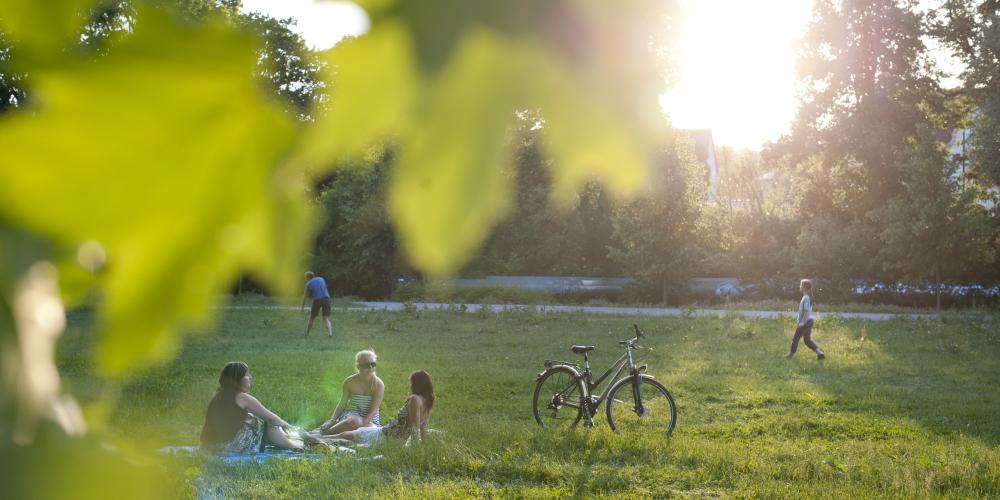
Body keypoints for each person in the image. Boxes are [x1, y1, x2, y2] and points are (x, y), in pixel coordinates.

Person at [200, 361, 303, 453]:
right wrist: (292, 428)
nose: (250, 377)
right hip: (227, 448)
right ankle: (294, 447)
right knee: (264, 423)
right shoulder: (242, 397)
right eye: (246, 374)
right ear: (237, 379)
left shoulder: (218, 396)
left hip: (207, 447)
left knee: (250, 419)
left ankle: (290, 442)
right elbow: (271, 418)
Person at [325, 370, 435, 445]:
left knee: (345, 436)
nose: (410, 386)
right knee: (350, 435)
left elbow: (415, 428)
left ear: (417, 384)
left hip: (384, 436)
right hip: (389, 437)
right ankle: (322, 438)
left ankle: (321, 439)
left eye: (411, 383)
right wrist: (422, 449)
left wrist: (416, 452)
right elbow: (423, 428)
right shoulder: (427, 402)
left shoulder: (415, 399)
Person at [316, 350, 385, 435]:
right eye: (366, 365)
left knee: (371, 431)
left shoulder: (379, 384)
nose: (371, 368)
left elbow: (372, 411)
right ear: (358, 366)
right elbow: (342, 404)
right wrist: (332, 420)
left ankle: (332, 433)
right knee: (355, 421)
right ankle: (327, 433)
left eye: (373, 364)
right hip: (352, 416)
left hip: (370, 420)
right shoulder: (349, 382)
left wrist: (360, 427)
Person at [787, 279, 826, 360]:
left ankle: (791, 355)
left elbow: (806, 311)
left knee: (795, 339)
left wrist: (802, 322)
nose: (800, 286)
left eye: (801, 285)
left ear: (804, 287)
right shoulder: (806, 297)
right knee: (807, 340)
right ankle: (820, 354)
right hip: (809, 321)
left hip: (806, 322)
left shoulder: (806, 298)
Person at [301, 271, 333, 337]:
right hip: (326, 298)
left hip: (317, 300)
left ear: (307, 278)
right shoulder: (321, 279)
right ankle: (330, 333)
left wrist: (302, 308)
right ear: (313, 275)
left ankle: (307, 333)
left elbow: (305, 297)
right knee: (325, 318)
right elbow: (324, 288)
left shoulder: (308, 284)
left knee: (312, 318)